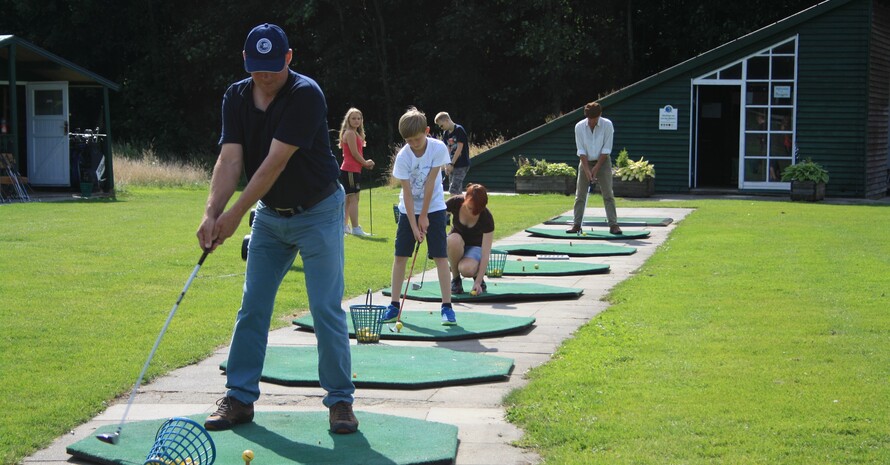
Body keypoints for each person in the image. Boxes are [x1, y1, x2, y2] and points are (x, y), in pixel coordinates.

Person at [195, 23, 358, 435]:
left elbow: (273, 164)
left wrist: (233, 217)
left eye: (271, 67)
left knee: (324, 308)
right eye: (256, 68)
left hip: (319, 209)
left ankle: (340, 401)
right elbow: (229, 161)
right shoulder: (235, 96)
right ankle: (239, 397)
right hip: (271, 215)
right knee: (253, 306)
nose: (263, 77)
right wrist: (211, 212)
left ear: (288, 59)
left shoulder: (305, 94)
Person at [380, 107, 456, 325]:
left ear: (427, 131)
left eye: (417, 138)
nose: (413, 144)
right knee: (400, 256)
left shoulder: (438, 148)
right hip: (407, 210)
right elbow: (407, 193)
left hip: (435, 207)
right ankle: (394, 305)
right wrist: (414, 225)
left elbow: (431, 183)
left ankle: (447, 307)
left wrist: (424, 216)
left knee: (440, 256)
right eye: (408, 140)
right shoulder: (403, 157)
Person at [567, 102, 622, 235]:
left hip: (603, 162)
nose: (592, 121)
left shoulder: (607, 125)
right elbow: (581, 150)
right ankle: (576, 224)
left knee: (608, 194)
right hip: (585, 161)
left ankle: (613, 225)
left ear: (599, 115)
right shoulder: (579, 127)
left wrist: (596, 168)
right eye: (589, 118)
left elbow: (606, 148)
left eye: (594, 118)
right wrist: (586, 169)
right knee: (580, 194)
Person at [446, 183, 494, 296]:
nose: (473, 212)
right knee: (453, 239)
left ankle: (477, 276)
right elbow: (437, 216)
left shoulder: (487, 217)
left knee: (466, 269)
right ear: (465, 199)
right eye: (470, 208)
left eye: (477, 210)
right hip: (456, 244)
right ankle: (456, 280)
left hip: (475, 248)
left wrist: (477, 282)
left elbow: (485, 254)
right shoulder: (455, 202)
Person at [338, 107, 375, 236]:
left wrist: (365, 163)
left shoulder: (356, 133)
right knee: (353, 198)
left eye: (359, 118)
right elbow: (354, 153)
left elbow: (357, 153)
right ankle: (355, 228)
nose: (356, 121)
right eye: (353, 118)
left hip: (353, 169)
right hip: (350, 169)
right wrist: (366, 163)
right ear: (348, 119)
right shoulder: (350, 133)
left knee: (350, 199)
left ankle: (344, 226)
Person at [435, 112, 470, 195]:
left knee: (453, 190)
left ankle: (451, 207)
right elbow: (447, 149)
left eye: (441, 125)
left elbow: (459, 148)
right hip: (452, 165)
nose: (441, 128)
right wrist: (447, 165)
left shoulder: (459, 130)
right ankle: (460, 207)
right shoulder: (446, 134)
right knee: (457, 191)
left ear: (447, 120)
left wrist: (451, 163)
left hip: (462, 164)